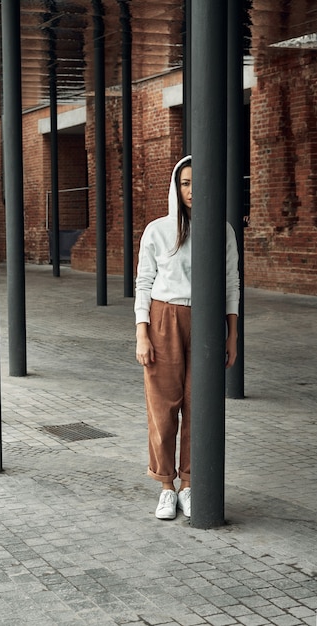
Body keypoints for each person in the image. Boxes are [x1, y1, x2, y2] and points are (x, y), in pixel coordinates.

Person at [134, 155, 240, 520]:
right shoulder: (158, 230)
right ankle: (166, 486)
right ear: (176, 188)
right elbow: (144, 284)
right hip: (164, 318)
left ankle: (190, 484)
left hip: (207, 323)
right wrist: (142, 334)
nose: (192, 190)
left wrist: (233, 334)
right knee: (163, 407)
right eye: (185, 183)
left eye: (198, 182)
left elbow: (231, 284)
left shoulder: (222, 230)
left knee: (199, 406)